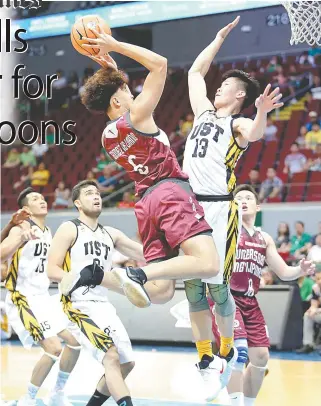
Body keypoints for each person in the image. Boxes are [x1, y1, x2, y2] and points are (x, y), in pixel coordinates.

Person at [60, 25, 227, 401]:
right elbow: (161, 65)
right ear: (120, 101)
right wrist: (113, 45)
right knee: (208, 263)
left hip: (145, 202)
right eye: (124, 90)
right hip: (169, 191)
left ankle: (107, 276)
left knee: (163, 291)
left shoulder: (108, 132)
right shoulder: (136, 113)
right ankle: (135, 272)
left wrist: (109, 66)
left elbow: (124, 93)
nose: (130, 91)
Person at [183, 15, 282, 390]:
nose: (218, 87)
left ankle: (227, 348)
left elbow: (256, 134)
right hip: (190, 206)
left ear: (238, 95)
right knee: (192, 285)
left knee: (216, 285)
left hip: (218, 207)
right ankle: (206, 355)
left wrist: (261, 111)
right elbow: (195, 72)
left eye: (224, 85)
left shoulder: (237, 123)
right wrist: (219, 38)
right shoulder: (204, 113)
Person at [47, 180, 174, 406]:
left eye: (97, 193)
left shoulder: (111, 233)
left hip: (102, 303)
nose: (96, 197)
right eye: (89, 194)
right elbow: (52, 270)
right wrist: (76, 276)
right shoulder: (70, 227)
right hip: (77, 304)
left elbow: (148, 255)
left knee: (126, 363)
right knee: (111, 357)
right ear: (77, 202)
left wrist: (173, 247)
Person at [208, 185, 315, 406]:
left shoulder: (264, 238)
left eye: (248, 197)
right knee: (239, 352)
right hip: (226, 297)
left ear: (258, 206)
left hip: (250, 301)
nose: (243, 200)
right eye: (238, 198)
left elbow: (284, 272)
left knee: (260, 358)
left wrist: (301, 270)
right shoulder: (223, 230)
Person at [1, 188, 81, 406]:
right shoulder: (20, 229)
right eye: (35, 199)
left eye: (42, 198)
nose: (42, 201)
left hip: (43, 297)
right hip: (22, 299)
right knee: (54, 348)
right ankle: (28, 399)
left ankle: (57, 393)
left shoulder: (48, 231)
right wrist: (17, 239)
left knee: (75, 343)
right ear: (26, 209)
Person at [296, 270, 321, 353]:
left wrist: (316, 310)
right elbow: (314, 304)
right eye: (317, 279)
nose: (319, 281)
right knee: (307, 315)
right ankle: (308, 344)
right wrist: (313, 310)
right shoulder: (315, 288)